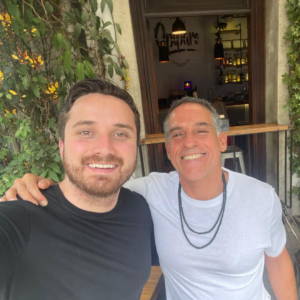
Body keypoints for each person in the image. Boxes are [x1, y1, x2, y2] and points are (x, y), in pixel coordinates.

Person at [2, 97, 297, 299]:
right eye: (178, 134)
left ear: (222, 140)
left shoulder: (261, 197)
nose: (189, 142)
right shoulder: (149, 192)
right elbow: (94, 184)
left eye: (201, 130)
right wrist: (42, 188)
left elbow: (278, 260)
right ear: (168, 150)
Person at [0, 78, 157, 300]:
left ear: (135, 147)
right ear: (61, 147)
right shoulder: (18, 220)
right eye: (86, 132)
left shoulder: (140, 208)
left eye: (120, 134)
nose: (104, 148)